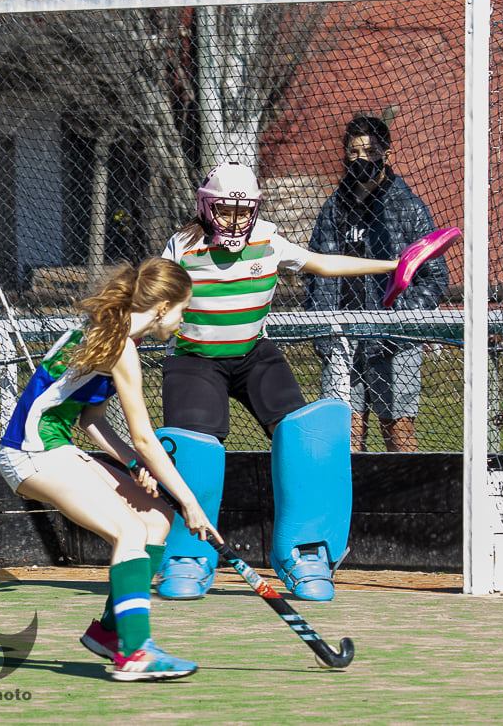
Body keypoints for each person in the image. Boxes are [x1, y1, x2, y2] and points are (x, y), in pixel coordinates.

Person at [157, 160, 404, 604]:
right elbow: (150, 294)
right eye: (224, 210)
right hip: (195, 359)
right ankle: (186, 554)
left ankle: (304, 551)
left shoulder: (268, 239)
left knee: (306, 434)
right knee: (191, 447)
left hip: (253, 354)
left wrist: (393, 263)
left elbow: (322, 264)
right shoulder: (181, 246)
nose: (233, 220)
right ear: (205, 206)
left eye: (242, 210)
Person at [0, 257, 219, 682]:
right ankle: (136, 654)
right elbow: (144, 438)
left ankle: (108, 632)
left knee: (155, 519)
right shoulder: (119, 346)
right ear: (161, 307)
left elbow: (91, 420)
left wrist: (133, 466)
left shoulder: (108, 330)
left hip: (54, 446)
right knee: (130, 531)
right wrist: (192, 501)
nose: (182, 319)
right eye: (182, 310)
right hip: (32, 454)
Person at [306, 116, 449, 452]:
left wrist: (397, 317)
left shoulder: (408, 208)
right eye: (353, 152)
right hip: (342, 338)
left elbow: (435, 276)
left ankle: (406, 504)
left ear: (387, 152)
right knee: (343, 436)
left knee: (397, 432)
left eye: (369, 151)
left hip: (393, 342)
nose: (361, 159)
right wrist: (320, 325)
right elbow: (314, 272)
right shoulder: (333, 209)